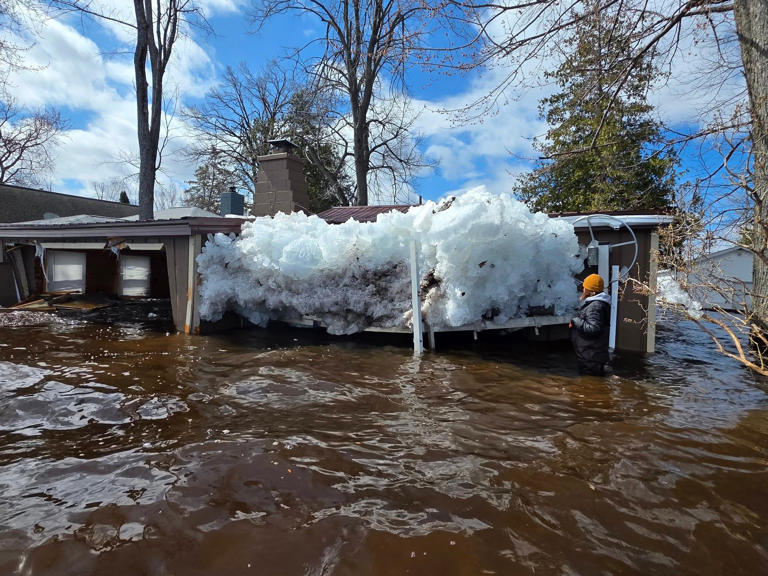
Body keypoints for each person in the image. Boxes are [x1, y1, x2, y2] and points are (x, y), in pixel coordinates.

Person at [569, 273, 611, 375]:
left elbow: (594, 328)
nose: (583, 290)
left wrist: (575, 321)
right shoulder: (597, 304)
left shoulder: (595, 306)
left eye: (585, 288)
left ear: (592, 292)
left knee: (589, 384)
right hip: (591, 355)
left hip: (591, 357)